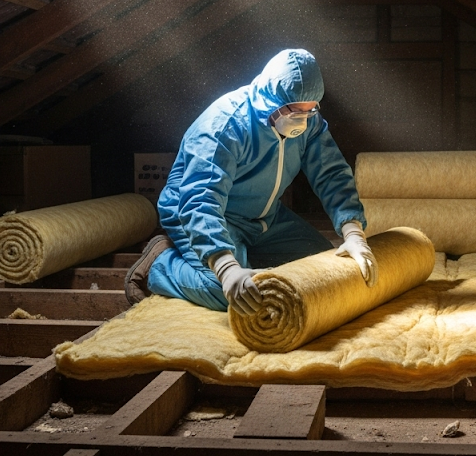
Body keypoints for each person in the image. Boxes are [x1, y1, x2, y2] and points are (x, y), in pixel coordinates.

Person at [125, 49, 377, 315]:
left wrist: (353, 233)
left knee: (325, 267)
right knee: (231, 292)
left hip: (265, 218)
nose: (301, 120)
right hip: (207, 215)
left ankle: (243, 253)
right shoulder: (224, 126)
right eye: (294, 110)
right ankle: (160, 264)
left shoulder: (309, 121)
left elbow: (331, 172)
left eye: (310, 109)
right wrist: (226, 268)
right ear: (271, 100)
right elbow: (201, 199)